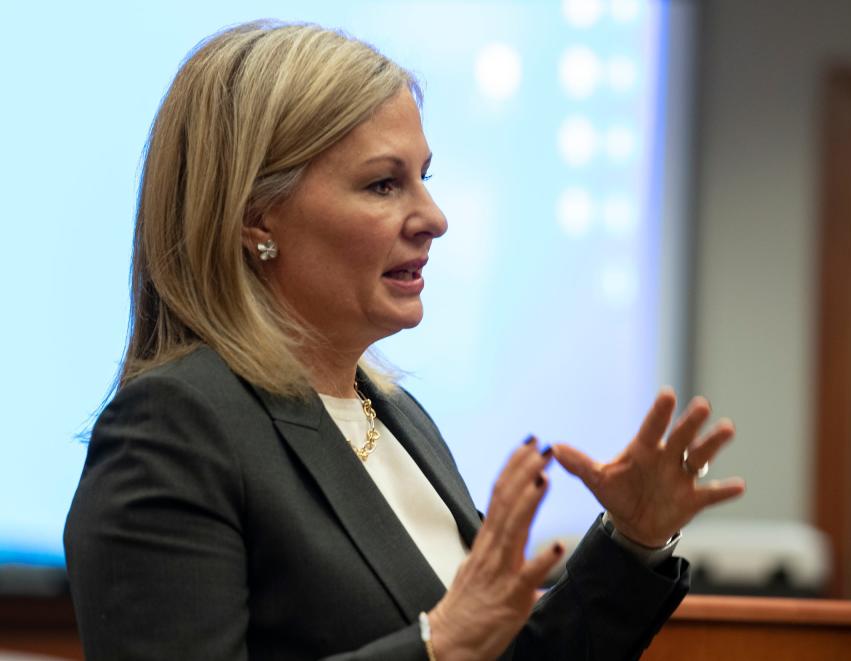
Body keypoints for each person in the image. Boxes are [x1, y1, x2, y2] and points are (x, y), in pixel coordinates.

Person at [63, 19, 745, 661]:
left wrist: (633, 541)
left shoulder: (395, 415)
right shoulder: (175, 428)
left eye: (425, 177)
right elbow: (451, 645)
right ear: (255, 216)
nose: (434, 217)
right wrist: (436, 643)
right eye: (384, 183)